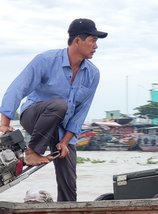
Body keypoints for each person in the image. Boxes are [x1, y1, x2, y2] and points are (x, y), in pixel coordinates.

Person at [0, 18, 108, 201]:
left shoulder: (93, 74)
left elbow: (81, 113)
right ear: (77, 41)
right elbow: (18, 88)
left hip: (62, 129)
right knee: (60, 105)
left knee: (69, 180)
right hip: (35, 117)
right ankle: (32, 152)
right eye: (92, 40)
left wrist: (65, 142)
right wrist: (4, 123)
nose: (96, 46)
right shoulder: (47, 60)